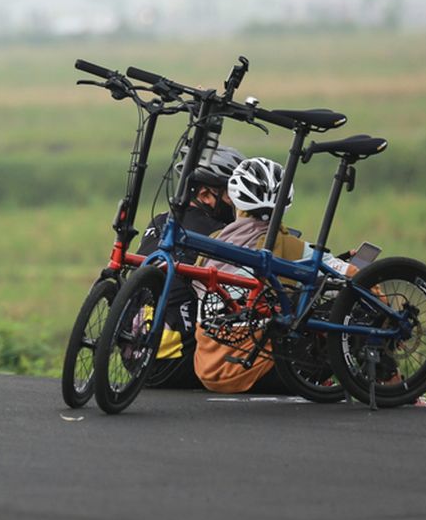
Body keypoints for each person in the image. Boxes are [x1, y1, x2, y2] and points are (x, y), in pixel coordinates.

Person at [192, 157, 356, 394]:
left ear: (237, 202)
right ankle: (391, 382)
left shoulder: (213, 242)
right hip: (260, 371)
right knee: (355, 306)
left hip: (208, 369)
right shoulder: (292, 247)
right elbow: (352, 275)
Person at [136, 144, 245, 387]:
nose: (237, 204)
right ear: (206, 194)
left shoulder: (161, 220)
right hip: (175, 364)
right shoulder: (218, 234)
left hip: (135, 359)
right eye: (232, 194)